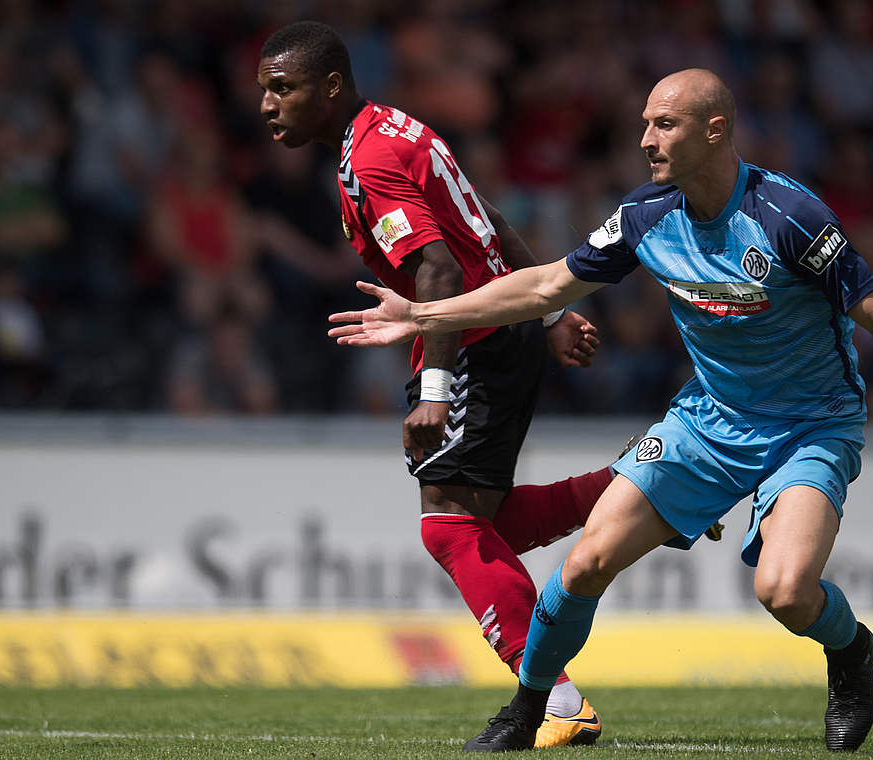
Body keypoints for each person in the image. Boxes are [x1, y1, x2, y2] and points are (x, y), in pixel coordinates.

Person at [328, 68, 873, 753]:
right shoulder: (647, 214)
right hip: (707, 420)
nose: (646, 139)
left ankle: (852, 651)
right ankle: (533, 708)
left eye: (664, 125)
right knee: (587, 562)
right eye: (646, 123)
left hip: (810, 426)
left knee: (784, 590)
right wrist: (421, 314)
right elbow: (543, 287)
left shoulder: (789, 217)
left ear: (714, 131)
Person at [258, 21, 613, 747]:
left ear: (329, 87)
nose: (267, 104)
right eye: (264, 90)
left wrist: (435, 391)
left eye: (282, 88)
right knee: (484, 525)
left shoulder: (373, 155)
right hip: (498, 329)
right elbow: (487, 224)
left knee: (448, 526)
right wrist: (550, 311)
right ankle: (641, 491)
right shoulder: (398, 132)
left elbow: (442, 272)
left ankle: (557, 700)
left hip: (474, 342)